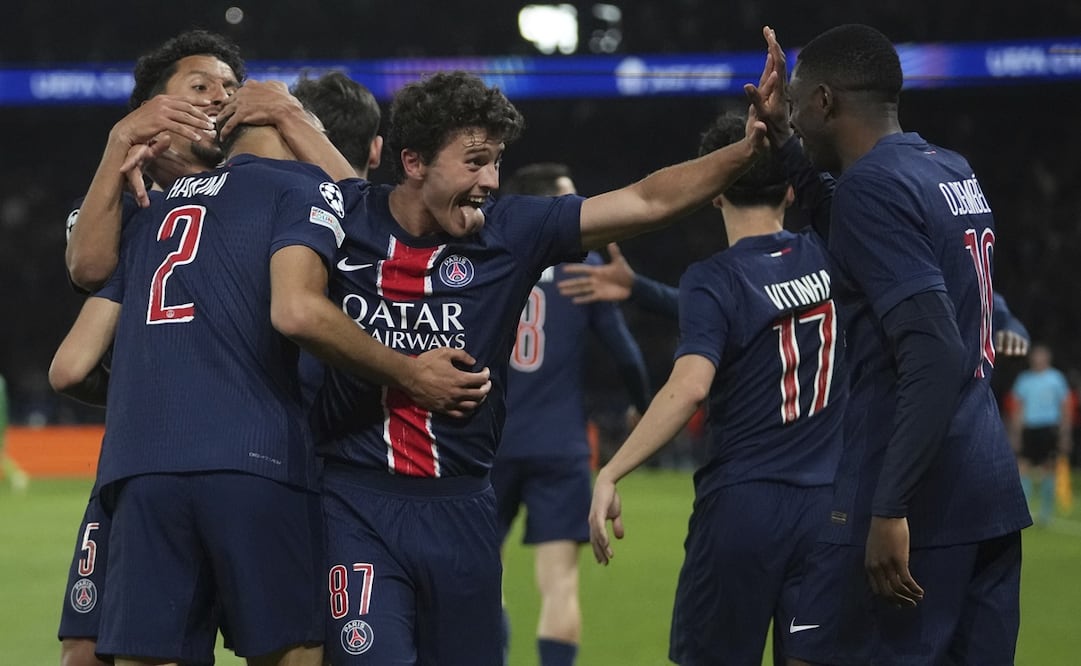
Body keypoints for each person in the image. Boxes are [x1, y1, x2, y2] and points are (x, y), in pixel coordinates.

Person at [243, 70, 766, 664]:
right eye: (474, 162)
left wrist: (746, 149)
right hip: (354, 502)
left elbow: (649, 199)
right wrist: (286, 114)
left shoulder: (517, 231)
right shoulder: (346, 218)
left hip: (465, 510)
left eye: (496, 162)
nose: (490, 181)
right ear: (413, 162)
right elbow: (332, 190)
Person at [59, 79, 490, 666]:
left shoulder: (154, 210)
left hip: (142, 467)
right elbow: (298, 308)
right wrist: (410, 374)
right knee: (290, 652)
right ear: (293, 129)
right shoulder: (303, 186)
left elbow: (71, 364)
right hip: (257, 457)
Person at [745, 24, 1031, 665]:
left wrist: (891, 504)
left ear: (825, 102)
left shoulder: (873, 188)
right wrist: (785, 141)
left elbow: (932, 352)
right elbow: (849, 225)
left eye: (794, 104)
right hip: (985, 488)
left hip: (915, 497)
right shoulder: (947, 168)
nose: (788, 113)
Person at [588, 111, 843, 665]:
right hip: (830, 509)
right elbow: (755, 314)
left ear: (713, 192)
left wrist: (611, 469)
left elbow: (692, 384)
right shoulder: (830, 252)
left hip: (744, 509)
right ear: (793, 188)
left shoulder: (715, 277)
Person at [55, 29, 247, 666]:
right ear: (150, 112)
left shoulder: (256, 192)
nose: (221, 97)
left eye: (230, 88)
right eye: (200, 87)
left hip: (243, 455)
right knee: (91, 646)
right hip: (142, 462)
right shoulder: (117, 207)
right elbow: (85, 272)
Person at [493, 162, 651, 666]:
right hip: (559, 444)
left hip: (485, 443)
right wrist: (644, 410)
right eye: (570, 201)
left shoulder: (489, 249)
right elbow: (626, 354)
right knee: (559, 585)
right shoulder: (584, 260)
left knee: (479, 580)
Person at [1007, 344, 1072, 525]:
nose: (1038, 359)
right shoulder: (1024, 380)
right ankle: (1023, 509)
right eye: (1036, 356)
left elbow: (1065, 406)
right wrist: (1016, 433)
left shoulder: (1056, 378)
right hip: (1030, 428)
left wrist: (1065, 432)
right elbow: (1017, 408)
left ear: (1048, 358)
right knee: (1023, 467)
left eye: (1042, 356)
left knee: (1048, 468)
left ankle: (1046, 512)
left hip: (1049, 427)